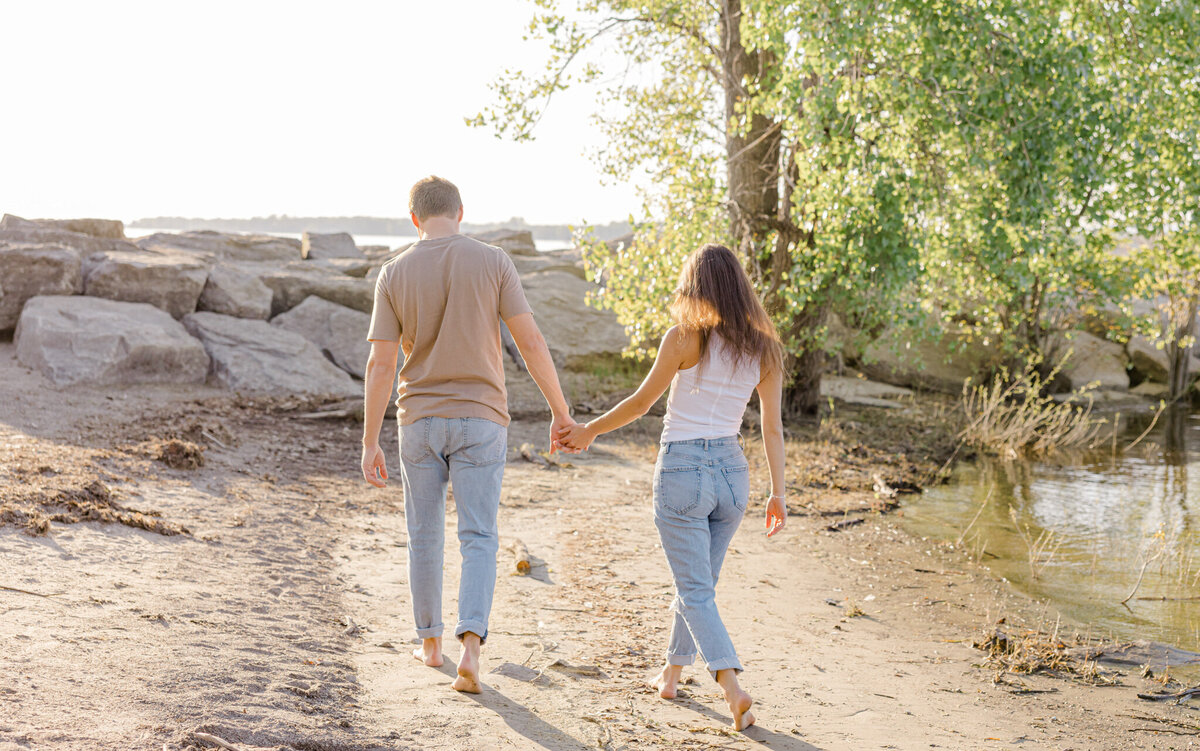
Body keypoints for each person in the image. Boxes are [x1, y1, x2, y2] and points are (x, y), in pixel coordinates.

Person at [360, 176, 576, 693]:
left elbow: (380, 363)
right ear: (461, 212)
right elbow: (530, 341)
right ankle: (471, 651)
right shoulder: (495, 260)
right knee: (478, 536)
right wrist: (561, 411)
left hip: (420, 419)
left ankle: (430, 644)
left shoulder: (393, 273)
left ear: (414, 218)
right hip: (482, 418)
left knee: (424, 535)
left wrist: (369, 441)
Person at [558, 243, 787, 731]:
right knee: (697, 584)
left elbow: (642, 403)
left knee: (696, 588)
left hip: (683, 471)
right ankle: (671, 673)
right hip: (733, 474)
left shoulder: (684, 338)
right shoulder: (765, 348)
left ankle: (732, 688)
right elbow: (772, 428)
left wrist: (588, 432)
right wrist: (778, 493)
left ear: (696, 286)